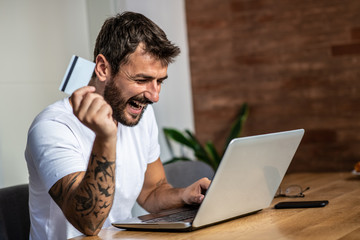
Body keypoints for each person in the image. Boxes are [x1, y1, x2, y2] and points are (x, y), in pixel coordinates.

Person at [25, 11, 211, 239]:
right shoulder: (52, 127)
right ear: (103, 68)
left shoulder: (142, 114)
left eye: (159, 81)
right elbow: (89, 224)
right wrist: (105, 137)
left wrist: (184, 195)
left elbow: (152, 191)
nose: (154, 96)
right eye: (141, 80)